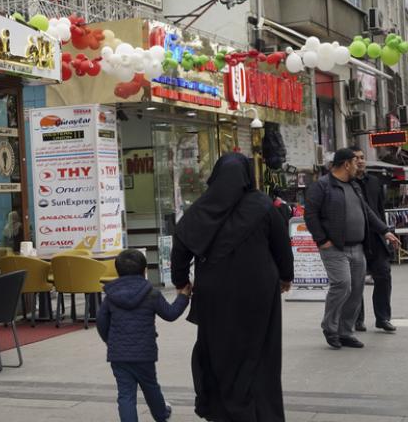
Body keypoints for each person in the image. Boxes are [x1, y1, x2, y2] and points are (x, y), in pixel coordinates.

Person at [170, 152, 293, 421]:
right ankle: (262, 412)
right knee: (260, 350)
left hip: (216, 294)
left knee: (219, 348)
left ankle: (222, 409)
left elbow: (180, 247)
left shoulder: (202, 208)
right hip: (259, 292)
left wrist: (181, 282)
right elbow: (282, 245)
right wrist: (286, 276)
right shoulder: (262, 205)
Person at [305, 148, 399, 350]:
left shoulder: (354, 186)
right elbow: (310, 215)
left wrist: (385, 231)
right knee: (342, 285)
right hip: (334, 247)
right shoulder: (322, 186)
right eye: (356, 161)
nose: (359, 165)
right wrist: (322, 240)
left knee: (356, 290)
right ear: (346, 164)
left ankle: (346, 332)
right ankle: (330, 327)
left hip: (358, 247)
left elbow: (367, 212)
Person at [97, 250, 190, 422]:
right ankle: (161, 415)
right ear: (144, 271)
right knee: (150, 387)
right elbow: (170, 314)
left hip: (119, 354)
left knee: (126, 395)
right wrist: (184, 297)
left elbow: (101, 322)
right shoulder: (151, 293)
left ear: (117, 271)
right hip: (144, 353)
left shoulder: (110, 296)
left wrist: (110, 341)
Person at [349, 147, 397, 333]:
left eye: (362, 157)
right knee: (356, 280)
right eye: (356, 158)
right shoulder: (346, 184)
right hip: (356, 238)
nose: (360, 161)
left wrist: (385, 232)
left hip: (376, 237)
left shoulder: (375, 182)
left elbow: (379, 210)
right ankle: (357, 319)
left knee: (384, 275)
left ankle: (383, 317)